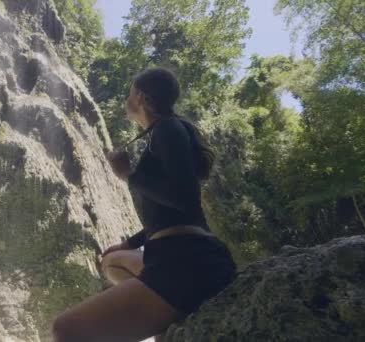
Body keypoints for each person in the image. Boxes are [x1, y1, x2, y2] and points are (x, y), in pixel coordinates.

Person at [51, 67, 237, 342]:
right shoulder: (163, 132)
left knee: (65, 330)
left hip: (187, 262)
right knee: (112, 261)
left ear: (139, 96)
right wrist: (129, 244)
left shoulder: (167, 128)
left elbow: (183, 197)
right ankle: (161, 317)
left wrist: (129, 175)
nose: (128, 98)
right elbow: (169, 213)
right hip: (173, 256)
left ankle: (163, 313)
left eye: (129, 92)